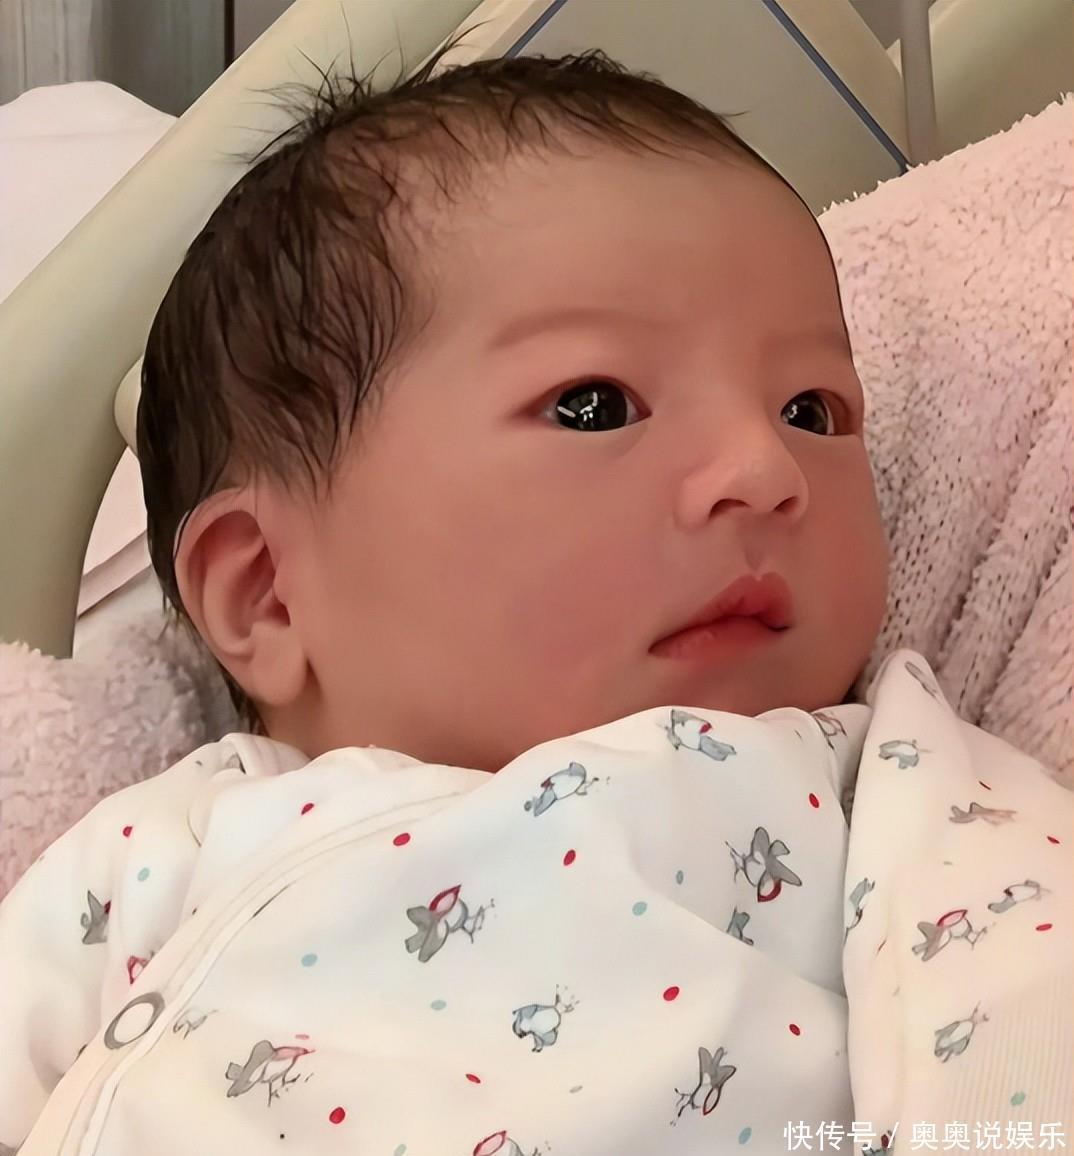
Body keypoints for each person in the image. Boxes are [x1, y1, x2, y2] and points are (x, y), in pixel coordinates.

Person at [1, 51, 1069, 1155]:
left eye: (812, 408)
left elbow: (1027, 1024)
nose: (765, 469)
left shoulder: (889, 782)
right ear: (268, 593)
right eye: (595, 405)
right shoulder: (170, 845)